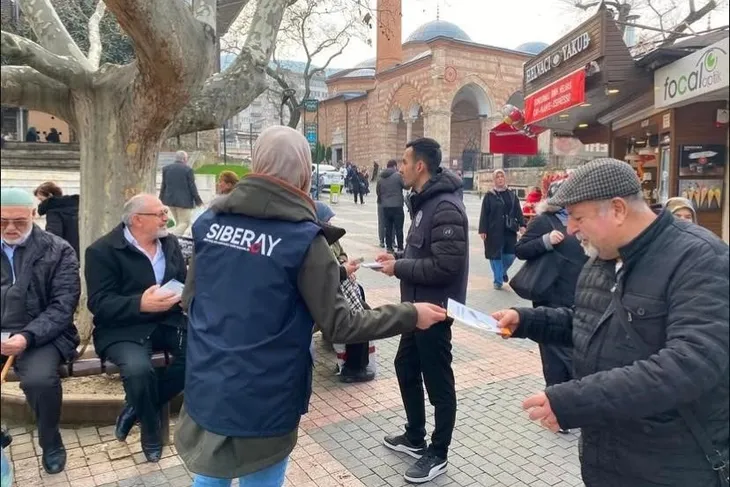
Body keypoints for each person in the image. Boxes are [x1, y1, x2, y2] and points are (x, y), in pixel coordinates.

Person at [174, 126, 446, 487]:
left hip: (209, 382)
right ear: (304, 172)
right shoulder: (303, 240)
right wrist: (411, 314)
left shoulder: (210, 223)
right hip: (266, 395)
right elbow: (342, 326)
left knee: (208, 479)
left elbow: (190, 301)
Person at [493, 158, 729, 487]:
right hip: (608, 461)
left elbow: (690, 364)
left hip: (675, 465)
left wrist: (575, 401)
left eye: (577, 217)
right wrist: (527, 321)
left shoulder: (700, 258)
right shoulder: (601, 257)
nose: (570, 229)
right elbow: (593, 324)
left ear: (617, 209)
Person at [375, 137, 469, 484]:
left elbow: (445, 266)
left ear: (420, 166)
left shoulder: (444, 207)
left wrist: (399, 269)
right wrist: (396, 259)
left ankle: (438, 452)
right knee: (404, 366)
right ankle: (415, 436)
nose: (399, 168)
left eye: (403, 161)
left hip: (435, 312)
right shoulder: (424, 203)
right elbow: (421, 253)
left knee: (439, 383)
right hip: (416, 309)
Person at [85, 194, 187, 463]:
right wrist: (140, 303)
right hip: (122, 328)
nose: (166, 217)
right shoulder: (102, 250)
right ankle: (151, 431)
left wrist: (183, 294)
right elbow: (99, 303)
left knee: (202, 356)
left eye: (165, 211)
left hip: (169, 321)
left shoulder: (170, 242)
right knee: (139, 371)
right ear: (137, 220)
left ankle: (137, 409)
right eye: (160, 213)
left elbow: (182, 279)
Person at [0, 188, 80, 475]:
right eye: (2, 221)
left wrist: (26, 337)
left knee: (40, 382)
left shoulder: (58, 249)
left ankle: (51, 440)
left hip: (41, 334)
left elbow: (63, 304)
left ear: (34, 215)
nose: (10, 228)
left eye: (19, 221)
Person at [514, 179, 587, 430]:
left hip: (578, 293)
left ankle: (566, 404)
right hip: (551, 294)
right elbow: (521, 249)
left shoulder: (582, 221)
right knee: (555, 355)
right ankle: (558, 407)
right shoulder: (545, 220)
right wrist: (545, 240)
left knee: (574, 352)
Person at [314, 201, 375, 383]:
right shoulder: (318, 241)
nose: (331, 223)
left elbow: (341, 255)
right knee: (359, 313)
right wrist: (343, 271)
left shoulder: (330, 236)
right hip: (327, 293)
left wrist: (343, 264)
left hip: (335, 286)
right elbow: (325, 273)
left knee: (361, 299)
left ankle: (355, 361)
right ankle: (353, 368)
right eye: (328, 219)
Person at [478, 169, 525, 290]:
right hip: (493, 230)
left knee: (511, 254)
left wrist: (522, 225)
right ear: (494, 180)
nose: (500, 179)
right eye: (497, 177)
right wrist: (482, 230)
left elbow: (518, 211)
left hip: (509, 230)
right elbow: (484, 213)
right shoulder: (489, 196)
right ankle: (498, 281)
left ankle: (502, 272)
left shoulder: (511, 195)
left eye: (502, 176)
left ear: (505, 179)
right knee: (495, 256)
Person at [159, 151, 203, 236]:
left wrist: (160, 199)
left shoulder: (166, 168)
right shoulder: (188, 170)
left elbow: (163, 185)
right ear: (184, 159)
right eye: (186, 159)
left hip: (170, 200)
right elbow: (192, 186)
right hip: (184, 202)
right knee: (185, 223)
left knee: (179, 223)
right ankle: (172, 238)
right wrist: (198, 201)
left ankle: (176, 241)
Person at [33, 182, 80, 256]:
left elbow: (54, 236)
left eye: (41, 200)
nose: (40, 204)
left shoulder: (53, 212)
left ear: (50, 196)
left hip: (66, 254)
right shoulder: (76, 206)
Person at [377, 159, 406, 252]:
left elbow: (378, 191)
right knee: (398, 228)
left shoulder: (380, 177)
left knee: (388, 227)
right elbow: (406, 186)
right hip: (397, 206)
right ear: (394, 166)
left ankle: (389, 247)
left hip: (385, 206)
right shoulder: (398, 176)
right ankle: (400, 247)